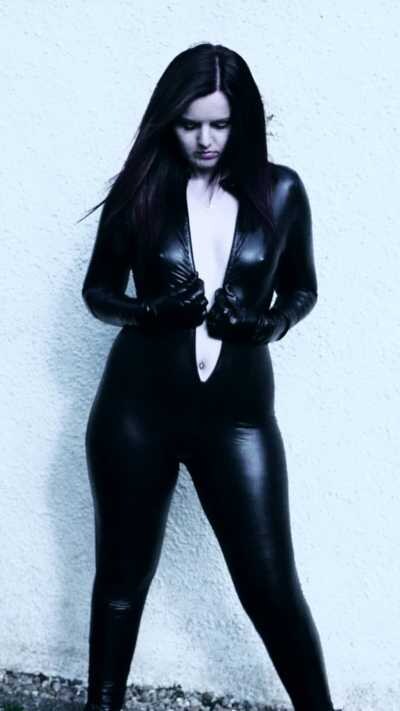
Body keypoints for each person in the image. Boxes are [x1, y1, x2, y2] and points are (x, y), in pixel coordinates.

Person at [79, 43, 341, 711]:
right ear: (168, 120)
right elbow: (97, 292)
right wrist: (148, 312)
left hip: (237, 420)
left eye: (219, 124)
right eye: (189, 123)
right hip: (135, 414)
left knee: (271, 587)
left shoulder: (282, 191)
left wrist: (266, 324)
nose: (204, 140)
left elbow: (303, 289)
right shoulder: (140, 189)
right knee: (121, 584)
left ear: (242, 120)